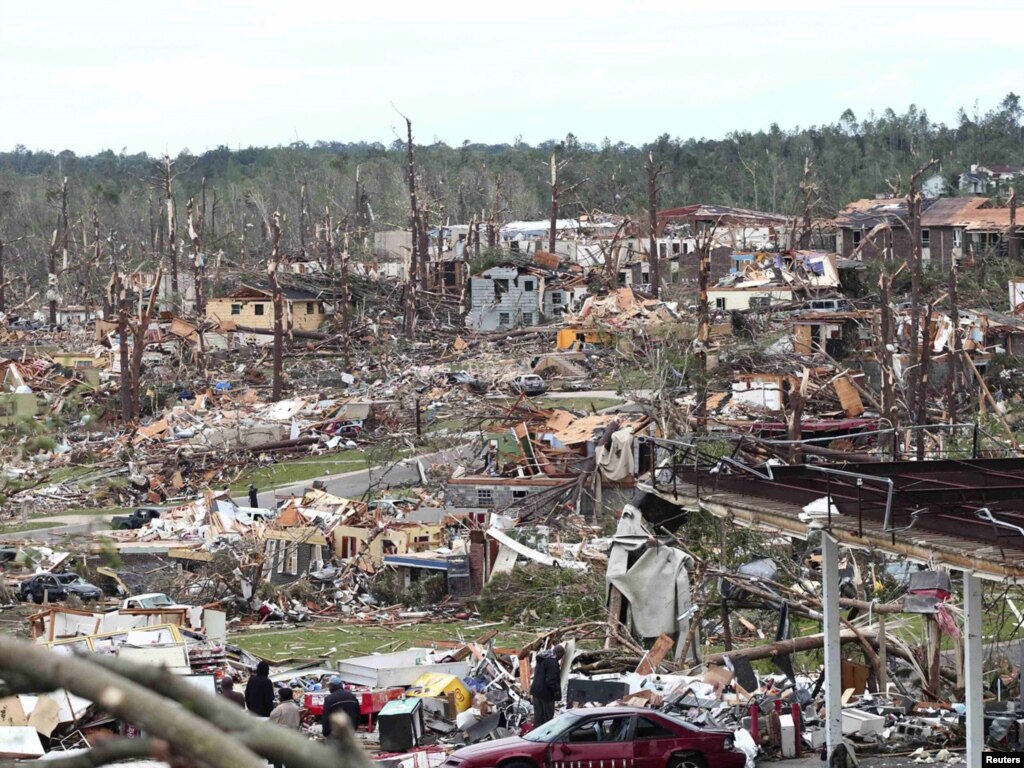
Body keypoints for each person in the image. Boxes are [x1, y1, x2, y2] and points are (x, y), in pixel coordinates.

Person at [530, 645, 565, 726]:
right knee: (548, 718)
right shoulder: (552, 662)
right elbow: (550, 681)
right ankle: (546, 736)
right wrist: (556, 690)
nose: (561, 658)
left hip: (536, 691)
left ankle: (536, 736)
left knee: (538, 717)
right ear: (558, 653)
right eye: (562, 655)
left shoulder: (542, 658)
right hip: (546, 694)